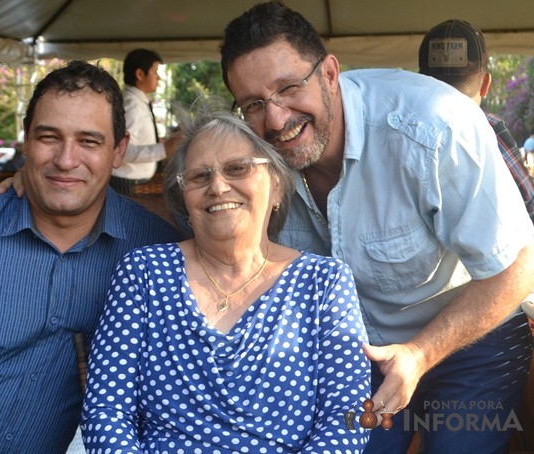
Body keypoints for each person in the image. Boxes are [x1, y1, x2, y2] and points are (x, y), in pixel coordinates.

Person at [219, 3, 534, 453]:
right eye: (253, 104)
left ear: (329, 73)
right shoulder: (253, 157)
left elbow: (521, 266)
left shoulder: (435, 125)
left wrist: (421, 354)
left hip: (473, 342)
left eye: (289, 88)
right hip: (359, 353)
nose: (275, 119)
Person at [0, 60, 183, 453]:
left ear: (119, 151)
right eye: (49, 137)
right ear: (26, 141)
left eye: (89, 141)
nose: (66, 160)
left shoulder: (155, 252)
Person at [81, 101, 371, 452]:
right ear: (184, 199)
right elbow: (106, 411)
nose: (217, 187)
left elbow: (347, 417)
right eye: (199, 176)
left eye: (238, 168)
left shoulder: (323, 283)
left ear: (277, 186)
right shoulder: (144, 273)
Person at [419, 18, 534, 223]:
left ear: (419, 79)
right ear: (485, 84)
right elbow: (529, 204)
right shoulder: (487, 128)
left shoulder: (398, 130)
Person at [109, 48, 177, 196]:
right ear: (140, 74)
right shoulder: (131, 105)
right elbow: (120, 150)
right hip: (126, 184)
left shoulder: (138, 102)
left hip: (134, 182)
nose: (158, 77)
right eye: (155, 72)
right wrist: (164, 148)